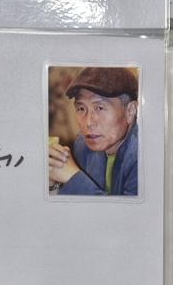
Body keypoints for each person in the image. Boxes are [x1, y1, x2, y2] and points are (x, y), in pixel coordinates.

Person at [48, 67, 139, 196]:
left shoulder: (143, 155)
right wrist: (53, 182)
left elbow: (126, 210)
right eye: (81, 108)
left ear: (130, 111)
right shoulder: (83, 146)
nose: (88, 122)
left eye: (100, 108)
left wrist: (73, 178)